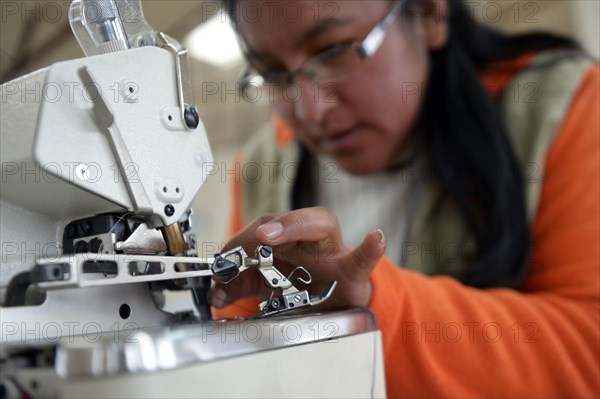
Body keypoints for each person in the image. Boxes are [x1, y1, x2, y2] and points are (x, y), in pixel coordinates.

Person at [208, 0, 599, 397]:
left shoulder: (559, 107)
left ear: (430, 14)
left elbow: (589, 353)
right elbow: (239, 339)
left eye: (334, 50)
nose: (312, 110)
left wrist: (369, 310)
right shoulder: (263, 166)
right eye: (273, 73)